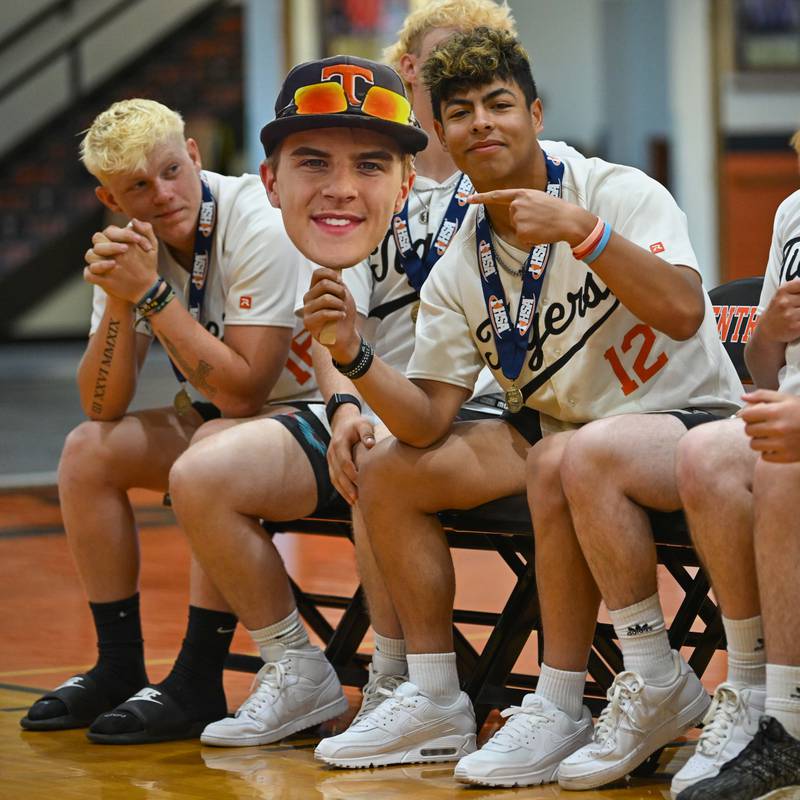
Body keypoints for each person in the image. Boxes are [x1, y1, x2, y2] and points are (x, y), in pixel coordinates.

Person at [303, 27, 742, 787]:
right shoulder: (461, 260)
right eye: (462, 112)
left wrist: (585, 233)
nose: (482, 123)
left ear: (536, 112)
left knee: (565, 455)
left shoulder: (616, 192)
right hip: (566, 438)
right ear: (438, 134)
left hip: (691, 424)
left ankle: (606, 685)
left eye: (499, 104)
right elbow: (427, 418)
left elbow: (679, 310)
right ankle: (441, 697)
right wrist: (354, 357)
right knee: (391, 470)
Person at [163, 0, 582, 752]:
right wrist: (346, 404)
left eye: (484, 69)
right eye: (441, 64)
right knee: (203, 472)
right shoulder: (365, 187)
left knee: (386, 461)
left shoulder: (542, 175)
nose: (462, 84)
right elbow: (333, 326)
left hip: (494, 413)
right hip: (378, 399)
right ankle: (298, 670)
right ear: (411, 68)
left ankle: (401, 680)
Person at [20, 98, 318, 741]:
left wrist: (153, 294)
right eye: (136, 187)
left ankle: (197, 678)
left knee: (212, 439)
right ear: (111, 197)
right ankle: (119, 665)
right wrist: (128, 302)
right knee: (87, 451)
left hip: (314, 412)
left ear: (195, 155)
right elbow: (102, 405)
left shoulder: (257, 221)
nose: (161, 194)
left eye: (170, 171)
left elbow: (245, 394)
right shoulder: (134, 247)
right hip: (229, 419)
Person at [672, 130, 800, 799]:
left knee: (781, 460)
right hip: (789, 412)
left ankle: (792, 722)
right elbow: (762, 372)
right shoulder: (791, 212)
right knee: (704, 452)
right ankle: (748, 687)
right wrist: (772, 328)